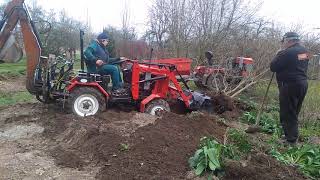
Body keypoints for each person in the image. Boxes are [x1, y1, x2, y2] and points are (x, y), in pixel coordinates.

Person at [270, 32, 309, 145]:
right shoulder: (305, 52)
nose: (283, 44)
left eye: (284, 41)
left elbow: (273, 67)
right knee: (294, 110)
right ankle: (290, 134)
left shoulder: (286, 53)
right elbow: (299, 61)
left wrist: (278, 55)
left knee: (287, 111)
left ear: (289, 40)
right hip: (302, 84)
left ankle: (290, 140)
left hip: (289, 85)